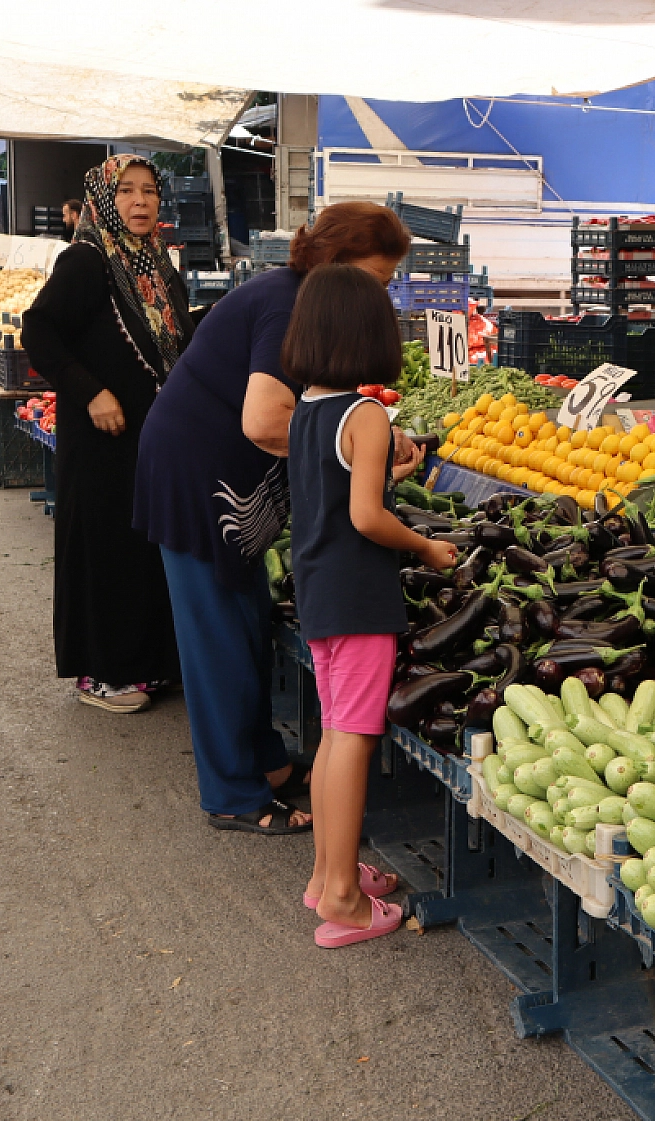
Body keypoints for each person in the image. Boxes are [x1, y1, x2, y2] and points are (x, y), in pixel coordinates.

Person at [133, 201, 413, 834]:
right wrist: (354, 453)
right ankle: (233, 794)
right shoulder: (289, 304)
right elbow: (264, 421)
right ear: (336, 262)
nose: (381, 296)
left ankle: (265, 762)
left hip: (224, 481)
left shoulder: (300, 298)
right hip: (199, 476)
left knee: (244, 618)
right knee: (216, 636)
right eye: (377, 279)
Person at [283, 264, 455, 947]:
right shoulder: (367, 414)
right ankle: (344, 901)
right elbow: (365, 517)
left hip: (318, 591)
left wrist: (387, 473)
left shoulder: (308, 408)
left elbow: (336, 489)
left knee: (333, 733)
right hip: (359, 597)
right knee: (353, 737)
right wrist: (424, 546)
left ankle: (326, 874)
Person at [22, 155, 192, 711]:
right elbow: (39, 332)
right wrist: (90, 391)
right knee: (107, 548)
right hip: (101, 438)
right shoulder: (85, 261)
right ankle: (103, 674)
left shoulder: (158, 263)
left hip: (152, 434)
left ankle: (150, 662)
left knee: (145, 548)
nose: (140, 201)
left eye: (150, 191)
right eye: (126, 191)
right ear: (102, 199)